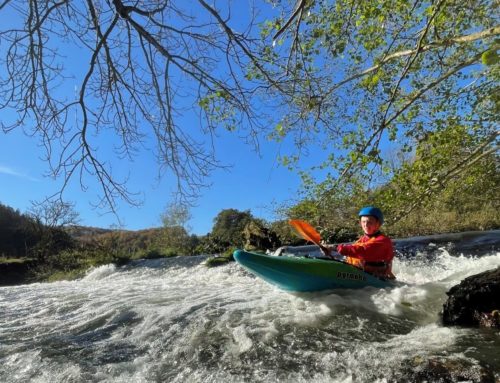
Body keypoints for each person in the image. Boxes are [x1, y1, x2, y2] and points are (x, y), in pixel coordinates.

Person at [334, 206, 395, 280]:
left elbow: (363, 250)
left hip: (378, 280)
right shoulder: (360, 241)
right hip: (360, 276)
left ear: (377, 224)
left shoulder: (383, 240)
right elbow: (351, 254)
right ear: (360, 223)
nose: (365, 225)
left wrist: (335, 248)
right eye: (363, 222)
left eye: (370, 222)